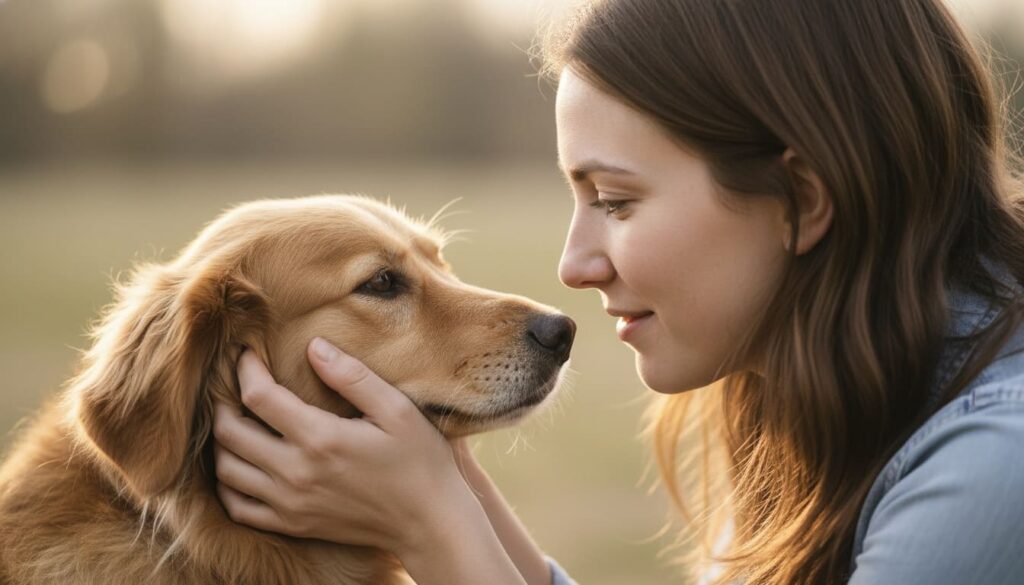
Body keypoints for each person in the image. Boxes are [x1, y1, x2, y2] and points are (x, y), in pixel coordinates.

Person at [211, 0, 1024, 583]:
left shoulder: (993, 470)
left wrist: (432, 529)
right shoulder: (816, 400)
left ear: (800, 201)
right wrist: (446, 489)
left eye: (616, 200)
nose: (573, 265)